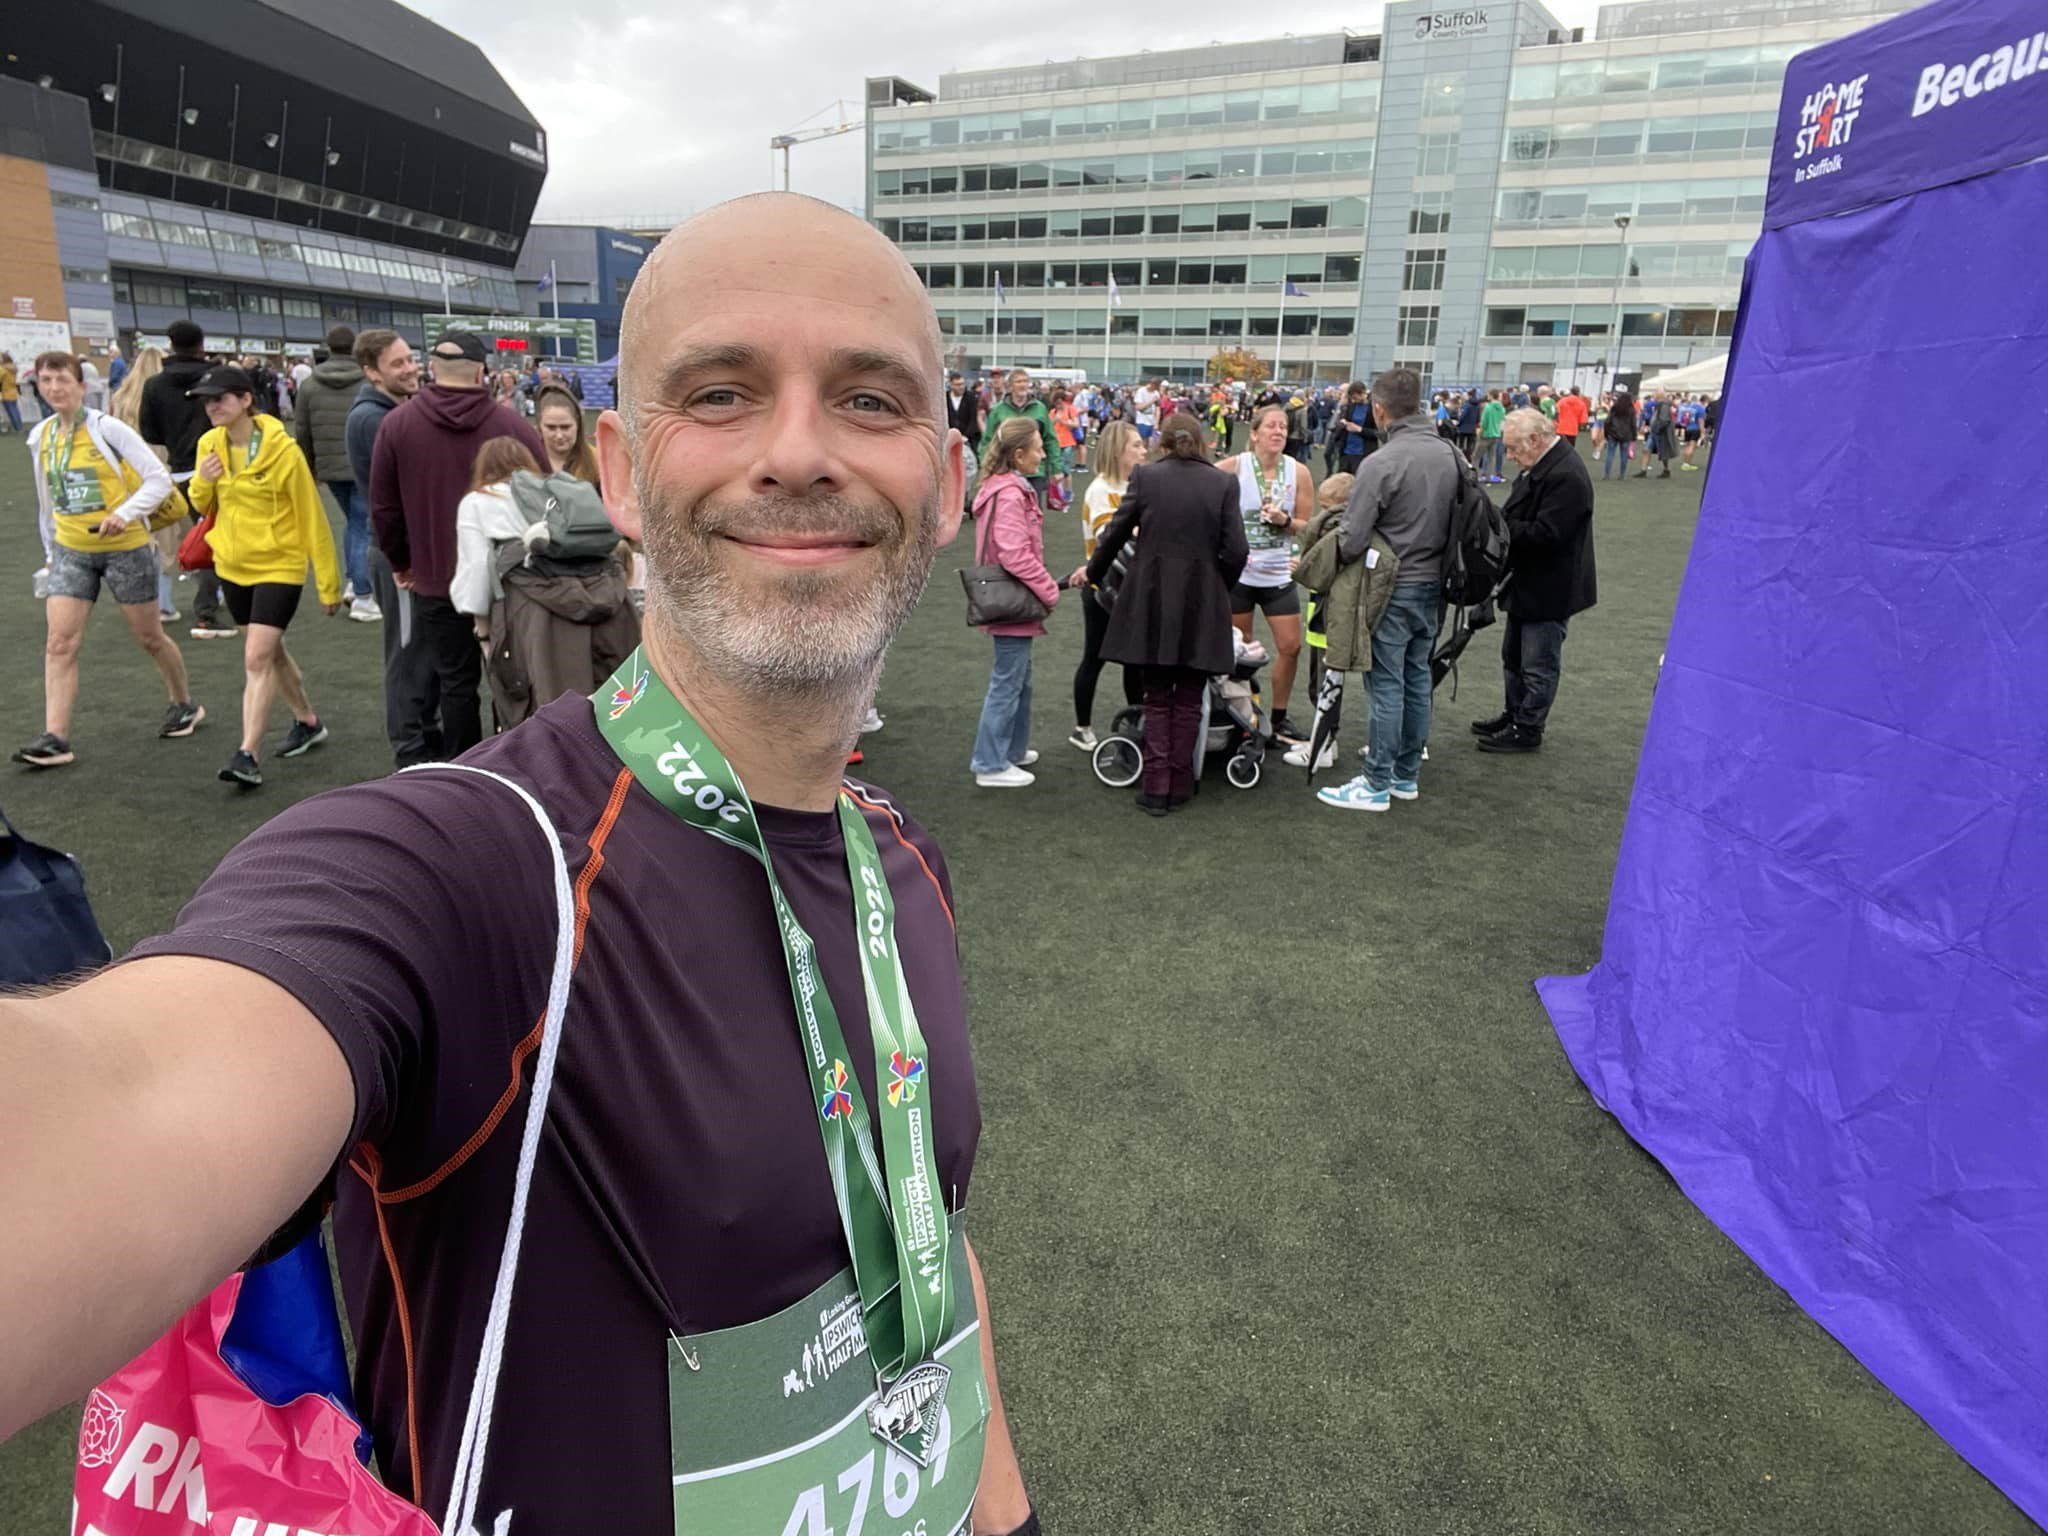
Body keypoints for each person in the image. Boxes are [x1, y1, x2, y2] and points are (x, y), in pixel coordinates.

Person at [0, 193, 1037, 1536]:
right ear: (618, 470)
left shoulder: (902, 863)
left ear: (947, 484)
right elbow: (130, 1099)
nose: (796, 451)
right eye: (721, 393)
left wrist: (1001, 1511)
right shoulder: (469, 873)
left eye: (871, 401)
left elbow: (928, 1228)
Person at [14, 351, 203, 769]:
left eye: (62, 379)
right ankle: (55, 737)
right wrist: (50, 552)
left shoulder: (108, 429)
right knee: (59, 644)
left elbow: (158, 479)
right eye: (45, 381)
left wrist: (125, 514)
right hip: (70, 551)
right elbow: (48, 500)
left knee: (150, 637)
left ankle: (184, 703)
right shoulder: (41, 436)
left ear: (82, 385)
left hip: (126, 549)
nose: (54, 388)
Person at [370, 328, 548, 764]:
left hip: (435, 580)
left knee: (455, 683)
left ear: (432, 369)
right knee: (516, 678)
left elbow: (384, 508)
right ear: (481, 372)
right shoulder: (511, 425)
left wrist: (402, 562)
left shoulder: (397, 425)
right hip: (511, 584)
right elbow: (549, 496)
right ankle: (518, 764)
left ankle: (464, 770)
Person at [187, 365, 341, 787]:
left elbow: (313, 518)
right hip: (232, 566)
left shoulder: (283, 451)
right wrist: (204, 479)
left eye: (220, 398)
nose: (212, 406)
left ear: (246, 400)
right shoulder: (209, 445)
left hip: (280, 565)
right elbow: (201, 505)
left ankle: (247, 753)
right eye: (207, 399)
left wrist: (328, 583)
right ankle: (307, 720)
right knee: (270, 653)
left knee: (256, 656)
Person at [1084, 413, 1246, 814]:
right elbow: (1238, 551)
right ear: (1201, 440)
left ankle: (1155, 787)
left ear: (1164, 443)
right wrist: (1215, 583)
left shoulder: (1147, 478)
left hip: (1152, 597)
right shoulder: (1222, 483)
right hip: (1201, 599)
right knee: (1189, 697)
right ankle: (1180, 783)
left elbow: (1113, 535)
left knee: (1157, 696)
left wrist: (1093, 573)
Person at [1316, 368, 1460, 812]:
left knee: (1386, 685)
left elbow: (1353, 538)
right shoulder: (1451, 454)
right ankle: (1404, 774)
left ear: (1379, 409)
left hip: (1391, 586)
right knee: (1417, 679)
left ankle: (1377, 781)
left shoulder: (1381, 462)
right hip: (1435, 585)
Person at [453, 437, 639, 731]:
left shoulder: (477, 502)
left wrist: (483, 631)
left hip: (533, 613)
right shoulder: (557, 497)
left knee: (547, 713)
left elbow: (475, 570)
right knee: (620, 708)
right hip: (606, 603)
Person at [1474, 408, 1597, 755]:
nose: (1510, 457)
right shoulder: (1543, 467)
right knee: (1513, 656)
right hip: (1530, 580)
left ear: (1535, 439)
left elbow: (1548, 534)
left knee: (1537, 663)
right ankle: (1515, 715)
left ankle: (1528, 728)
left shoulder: (1565, 475)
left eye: (1513, 449)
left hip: (1551, 585)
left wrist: (1498, 527)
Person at [348, 329, 439, 765]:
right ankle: (410, 750)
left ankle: (424, 736)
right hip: (396, 555)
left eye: (410, 359)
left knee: (421, 649)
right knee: (406, 654)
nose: (410, 368)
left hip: (403, 551)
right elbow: (394, 498)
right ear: (372, 372)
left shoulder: (388, 411)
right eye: (398, 363)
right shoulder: (374, 420)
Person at [967, 416, 1060, 788]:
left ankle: (1011, 750)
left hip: (1007, 597)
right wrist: (1047, 588)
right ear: (1019, 454)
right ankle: (989, 763)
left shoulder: (1002, 488)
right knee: (1008, 681)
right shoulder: (1009, 493)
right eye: (1038, 447)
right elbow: (1012, 554)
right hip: (1011, 599)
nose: (1043, 453)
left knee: (1019, 680)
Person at [1217, 405, 1314, 745]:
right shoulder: (1234, 467)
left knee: (1291, 647)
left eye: (1284, 427)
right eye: (1271, 426)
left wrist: (1284, 522)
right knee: (1243, 655)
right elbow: (1201, 487)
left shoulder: (1298, 472)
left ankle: (1280, 718)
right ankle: (1247, 718)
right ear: (1254, 433)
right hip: (1240, 576)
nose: (1278, 432)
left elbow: (1308, 528)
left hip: (1278, 576)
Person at [140, 320, 236, 638]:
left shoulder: (154, 385)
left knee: (202, 534)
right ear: (202, 344)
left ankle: (206, 601)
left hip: (180, 467)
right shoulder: (217, 377)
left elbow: (149, 431)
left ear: (170, 343)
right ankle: (207, 610)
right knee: (218, 536)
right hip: (221, 465)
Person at [1063, 418, 1144, 749]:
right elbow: (1109, 539)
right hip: (1103, 591)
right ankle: (1081, 727)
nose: (1144, 449)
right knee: (1093, 659)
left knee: (1135, 661)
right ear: (1118, 451)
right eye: (1136, 445)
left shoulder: (1137, 484)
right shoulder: (1101, 490)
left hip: (1132, 589)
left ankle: (1136, 724)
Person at [289, 324, 376, 621]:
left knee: (354, 522)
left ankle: (355, 584)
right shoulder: (368, 380)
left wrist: (309, 468)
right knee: (362, 524)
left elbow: (302, 431)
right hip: (363, 461)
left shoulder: (310, 385)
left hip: (328, 464)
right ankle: (364, 594)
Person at [982, 369, 1065, 508]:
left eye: (1025, 381)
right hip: (1005, 470)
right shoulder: (998, 411)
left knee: (1033, 513)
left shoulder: (1040, 409)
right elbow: (988, 441)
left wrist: (1057, 468)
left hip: (1035, 471)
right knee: (1008, 512)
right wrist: (986, 467)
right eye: (1018, 381)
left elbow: (1051, 440)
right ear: (1010, 386)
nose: (1023, 385)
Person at [535, 383, 600, 483]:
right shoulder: (528, 462)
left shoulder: (597, 461)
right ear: (539, 426)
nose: (559, 435)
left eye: (565, 427)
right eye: (551, 428)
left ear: (578, 424)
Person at [1334, 381, 1373, 474]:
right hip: (1346, 451)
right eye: (1352, 398)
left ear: (1363, 393)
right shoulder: (1350, 407)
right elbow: (1340, 421)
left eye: (1355, 398)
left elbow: (1379, 433)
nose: (1354, 400)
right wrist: (1342, 424)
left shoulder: (1373, 409)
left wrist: (1359, 429)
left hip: (1363, 453)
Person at [944, 369, 982, 460]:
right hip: (949, 438)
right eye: (958, 385)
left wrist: (965, 436)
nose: (961, 387)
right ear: (951, 385)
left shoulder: (971, 398)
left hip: (968, 438)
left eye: (962, 384)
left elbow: (973, 419)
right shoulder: (945, 398)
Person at [1601, 390, 1637, 480]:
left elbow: (1608, 421)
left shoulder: (1615, 408)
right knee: (1624, 455)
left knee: (1610, 454)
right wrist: (1634, 436)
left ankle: (1607, 474)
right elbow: (1633, 424)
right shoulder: (1631, 410)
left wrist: (1606, 433)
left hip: (1613, 433)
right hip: (1626, 435)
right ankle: (1621, 475)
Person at [1476, 389, 1508, 484]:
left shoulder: (1488, 407)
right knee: (1497, 454)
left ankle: (1484, 473)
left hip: (1489, 433)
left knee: (1487, 454)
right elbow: (1503, 420)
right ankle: (1496, 473)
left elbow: (1484, 422)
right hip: (1499, 432)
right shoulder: (1501, 408)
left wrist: (1481, 432)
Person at [1555, 387, 1589, 452]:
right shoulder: (1581, 403)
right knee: (1569, 450)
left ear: (1570, 392)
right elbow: (1583, 420)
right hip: (1573, 429)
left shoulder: (1562, 401)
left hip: (1561, 428)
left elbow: (1556, 411)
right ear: (1578, 393)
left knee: (1558, 449)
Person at [0, 352, 20, 433]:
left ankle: (17, 427)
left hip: (6, 392)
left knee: (11, 412)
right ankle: (18, 427)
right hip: (13, 391)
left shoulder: (2, 369)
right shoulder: (13, 368)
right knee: (15, 411)